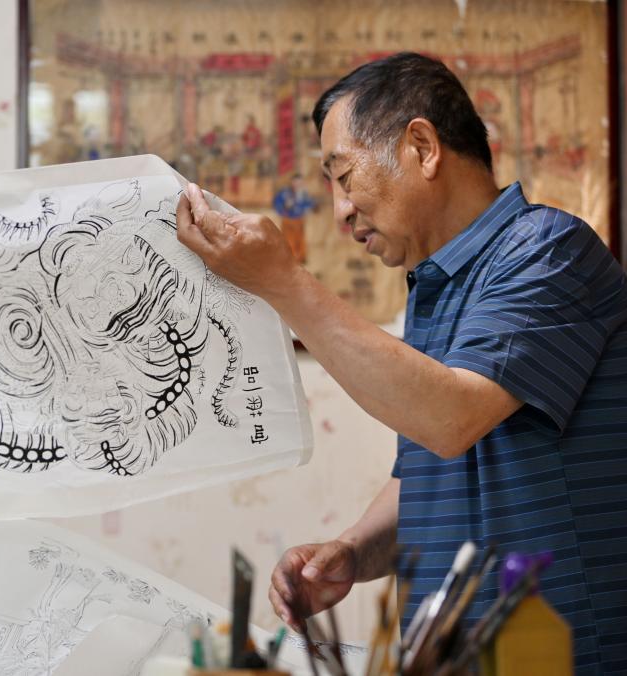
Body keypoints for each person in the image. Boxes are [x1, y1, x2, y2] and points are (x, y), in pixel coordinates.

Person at [176, 52, 627, 673]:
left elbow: (450, 418)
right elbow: (426, 470)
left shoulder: (548, 249)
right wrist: (351, 552)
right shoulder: (432, 287)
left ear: (422, 147)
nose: (341, 211)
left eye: (344, 176)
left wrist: (282, 281)